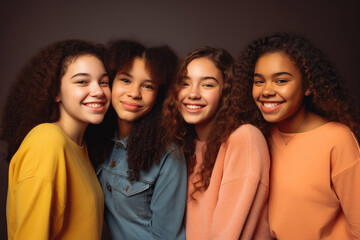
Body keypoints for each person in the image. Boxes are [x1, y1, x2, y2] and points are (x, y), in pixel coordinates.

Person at [237, 32, 360, 239]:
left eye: (281, 80)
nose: (266, 91)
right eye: (258, 82)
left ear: (308, 86)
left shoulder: (337, 139)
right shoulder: (259, 138)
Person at [1, 39, 111, 239]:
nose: (98, 91)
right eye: (82, 82)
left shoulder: (79, 146)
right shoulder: (46, 142)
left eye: (103, 82)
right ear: (55, 93)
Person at [162, 47, 270, 239]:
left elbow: (228, 233)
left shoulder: (244, 138)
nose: (193, 94)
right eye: (185, 83)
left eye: (207, 85)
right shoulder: (185, 145)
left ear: (226, 92)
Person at [87, 40, 187, 239]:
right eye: (125, 80)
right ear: (110, 83)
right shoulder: (94, 140)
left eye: (147, 86)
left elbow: (165, 236)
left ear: (159, 95)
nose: (134, 93)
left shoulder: (168, 153)